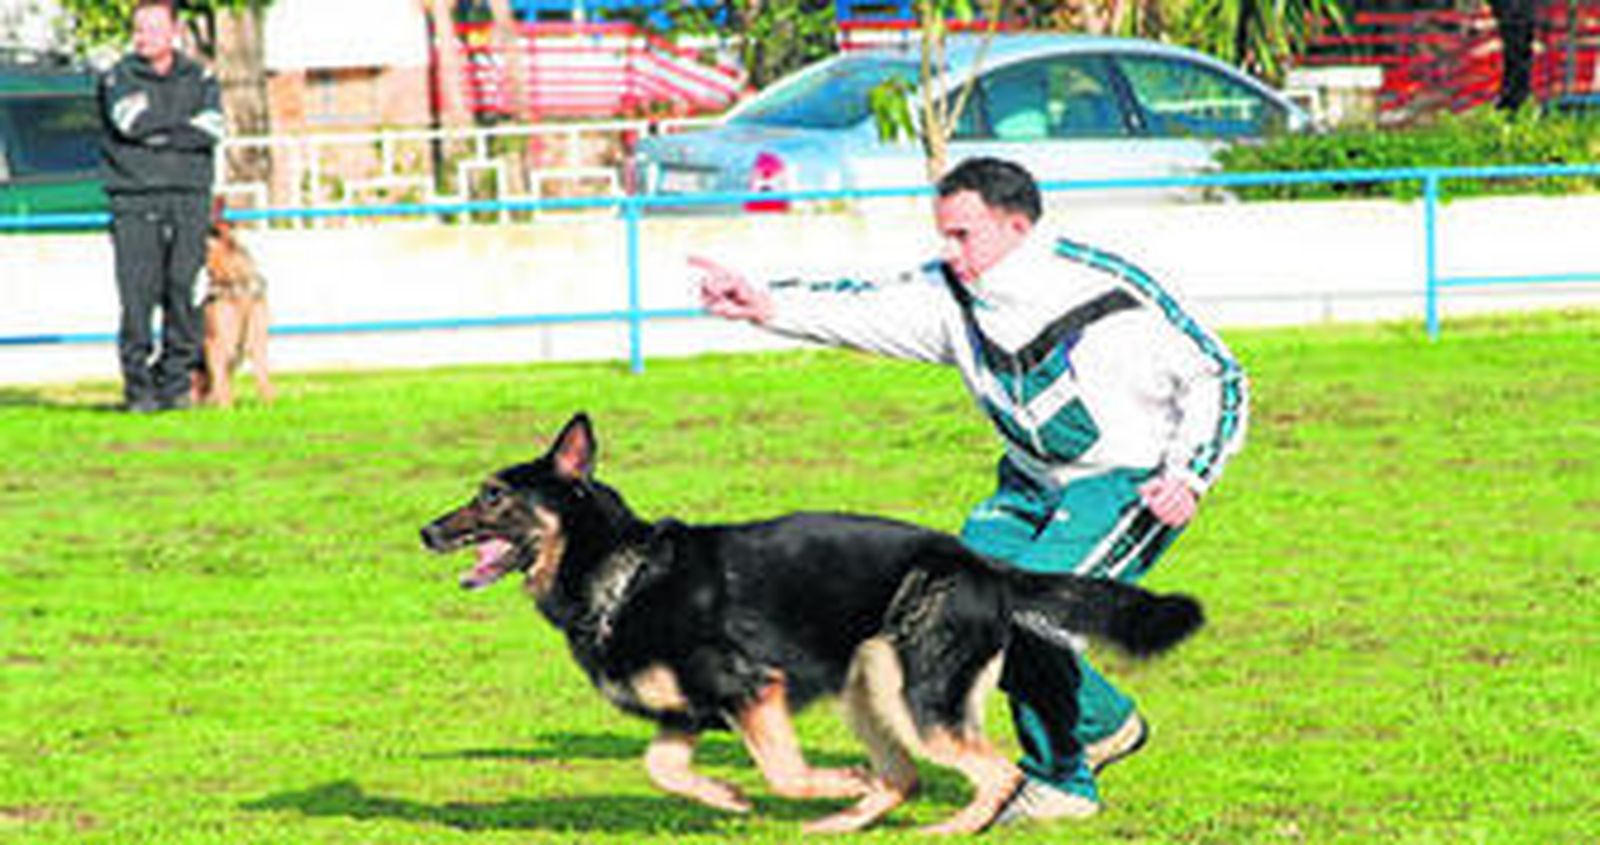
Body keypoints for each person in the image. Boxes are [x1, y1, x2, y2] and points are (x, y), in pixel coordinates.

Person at [692, 157, 1247, 825]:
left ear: (1017, 226)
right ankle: (1102, 724)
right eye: (943, 235)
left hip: (1129, 482)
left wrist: (1189, 471)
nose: (950, 251)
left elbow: (1219, 374)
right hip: (1029, 483)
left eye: (963, 235)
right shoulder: (950, 293)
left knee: (1031, 616)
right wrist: (764, 303)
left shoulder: (1106, 289)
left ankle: (1062, 782)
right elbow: (866, 304)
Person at [98, 0, 225, 412]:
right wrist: (181, 130)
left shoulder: (201, 77)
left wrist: (159, 133)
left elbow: (210, 129)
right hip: (134, 199)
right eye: (138, 29)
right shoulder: (117, 77)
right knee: (138, 297)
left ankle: (175, 384)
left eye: (153, 28)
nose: (143, 37)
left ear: (174, 31)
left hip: (189, 197)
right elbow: (130, 123)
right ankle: (139, 390)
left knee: (185, 292)